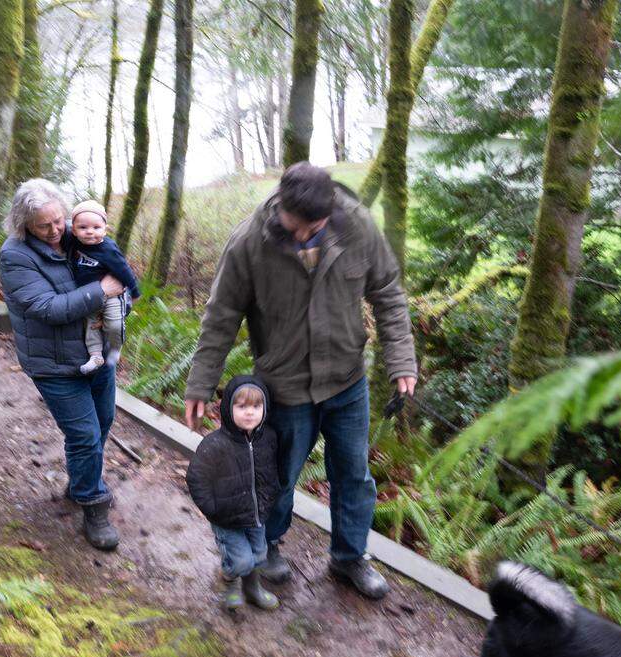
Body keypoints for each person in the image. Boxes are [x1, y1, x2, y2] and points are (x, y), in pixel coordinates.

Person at [183, 162, 418, 599]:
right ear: (281, 207)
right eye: (298, 225)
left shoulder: (357, 226)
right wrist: (200, 384)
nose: (307, 233)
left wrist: (402, 360)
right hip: (286, 387)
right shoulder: (249, 243)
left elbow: (387, 291)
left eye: (318, 225)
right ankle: (267, 546)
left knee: (354, 475)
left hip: (347, 380)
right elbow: (220, 319)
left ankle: (350, 557)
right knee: (278, 476)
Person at [0, 179, 127, 551]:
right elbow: (48, 309)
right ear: (25, 226)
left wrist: (120, 305)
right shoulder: (16, 255)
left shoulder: (79, 235)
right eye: (45, 226)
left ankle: (79, 484)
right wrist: (101, 291)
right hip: (53, 364)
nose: (56, 231)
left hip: (97, 355)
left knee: (101, 424)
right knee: (85, 434)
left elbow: (118, 280)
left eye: (59, 221)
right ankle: (92, 503)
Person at [185, 375, 281, 611]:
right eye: (242, 406)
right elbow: (196, 477)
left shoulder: (268, 439)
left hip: (256, 515)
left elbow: (271, 471)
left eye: (256, 406)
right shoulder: (215, 444)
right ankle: (229, 582)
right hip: (227, 518)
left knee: (259, 555)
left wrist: (271, 496)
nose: (250, 413)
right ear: (228, 408)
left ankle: (252, 588)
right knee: (240, 561)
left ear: (265, 408)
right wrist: (213, 508)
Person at [65, 199, 141, 374]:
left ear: (105, 229)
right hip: (88, 295)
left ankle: (115, 348)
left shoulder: (108, 249)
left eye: (96, 228)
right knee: (90, 325)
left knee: (114, 324)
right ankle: (96, 356)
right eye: (83, 228)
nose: (90, 232)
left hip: (113, 295)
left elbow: (124, 270)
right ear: (74, 230)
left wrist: (134, 292)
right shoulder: (74, 243)